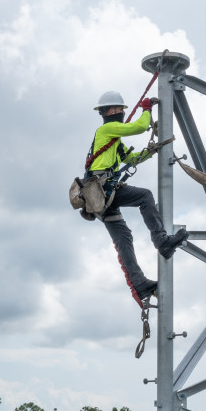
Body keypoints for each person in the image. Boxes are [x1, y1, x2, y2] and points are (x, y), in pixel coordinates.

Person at [84, 90, 188, 306]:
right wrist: (146, 108)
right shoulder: (107, 129)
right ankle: (162, 241)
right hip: (103, 191)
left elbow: (131, 159)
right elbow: (139, 127)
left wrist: (152, 151)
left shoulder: (113, 140)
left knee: (124, 238)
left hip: (100, 198)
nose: (121, 112)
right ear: (110, 111)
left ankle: (140, 284)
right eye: (119, 109)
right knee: (144, 196)